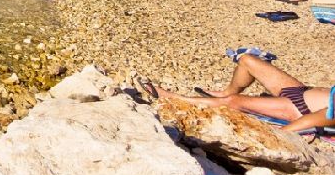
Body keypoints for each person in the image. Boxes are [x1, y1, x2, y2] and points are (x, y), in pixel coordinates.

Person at [142, 56, 335, 133]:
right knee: (247, 61)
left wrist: (284, 133)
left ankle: (173, 98)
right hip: (302, 91)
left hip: (297, 109)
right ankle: (227, 90)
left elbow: (316, 119)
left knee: (233, 102)